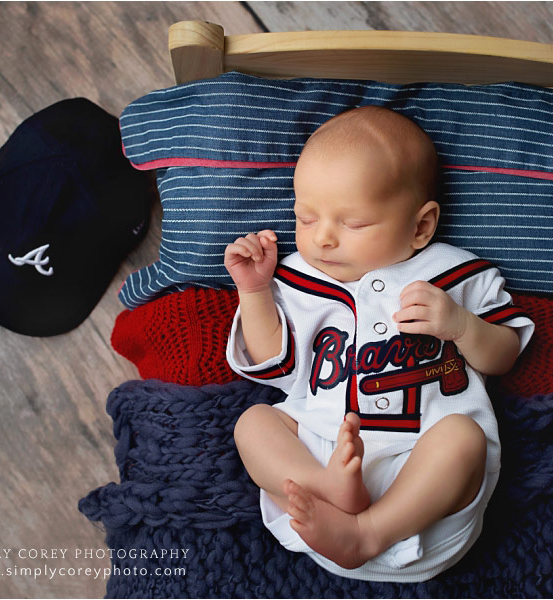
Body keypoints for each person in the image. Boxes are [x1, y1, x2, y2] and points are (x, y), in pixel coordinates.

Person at [224, 106, 534, 582]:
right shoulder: (297, 280)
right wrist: (255, 290)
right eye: (305, 218)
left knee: (463, 438)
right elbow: (272, 365)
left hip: (422, 473)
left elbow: (505, 354)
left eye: (354, 224)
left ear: (420, 227)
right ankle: (323, 486)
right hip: (319, 465)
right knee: (254, 421)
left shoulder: (454, 275)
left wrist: (461, 326)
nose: (323, 239)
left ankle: (368, 531)